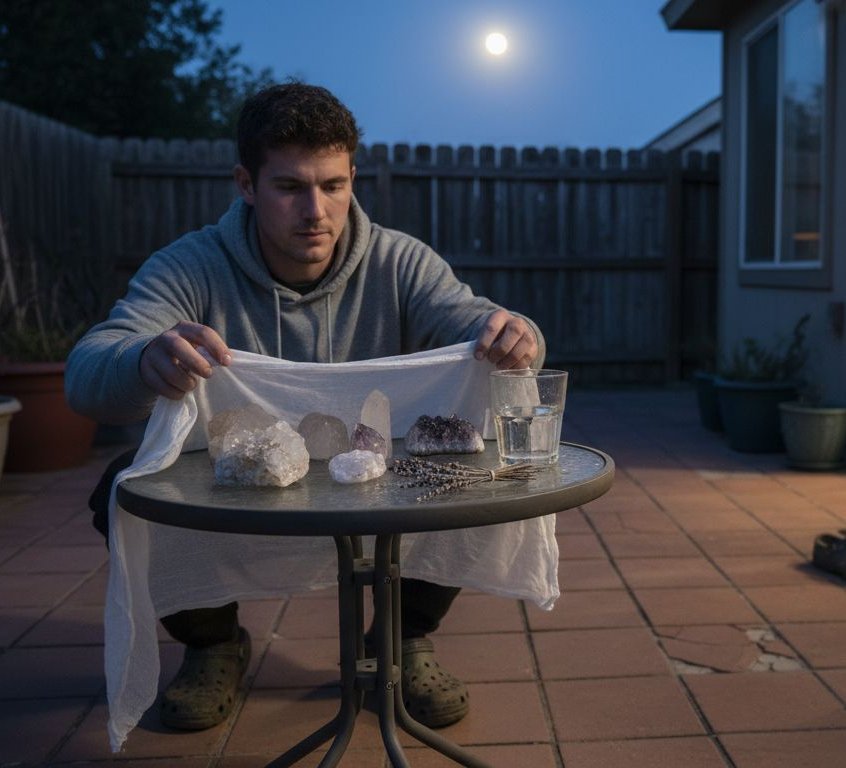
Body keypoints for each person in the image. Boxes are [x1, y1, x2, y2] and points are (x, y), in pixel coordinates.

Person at [66, 82, 542, 732]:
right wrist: (143, 357)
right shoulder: (193, 266)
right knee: (118, 489)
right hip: (238, 476)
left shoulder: (400, 262)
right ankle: (212, 642)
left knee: (480, 473)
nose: (316, 210)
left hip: (381, 476)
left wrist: (514, 333)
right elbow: (89, 368)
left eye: (334, 185)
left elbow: (469, 318)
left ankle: (401, 638)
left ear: (352, 177)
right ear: (246, 183)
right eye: (290, 187)